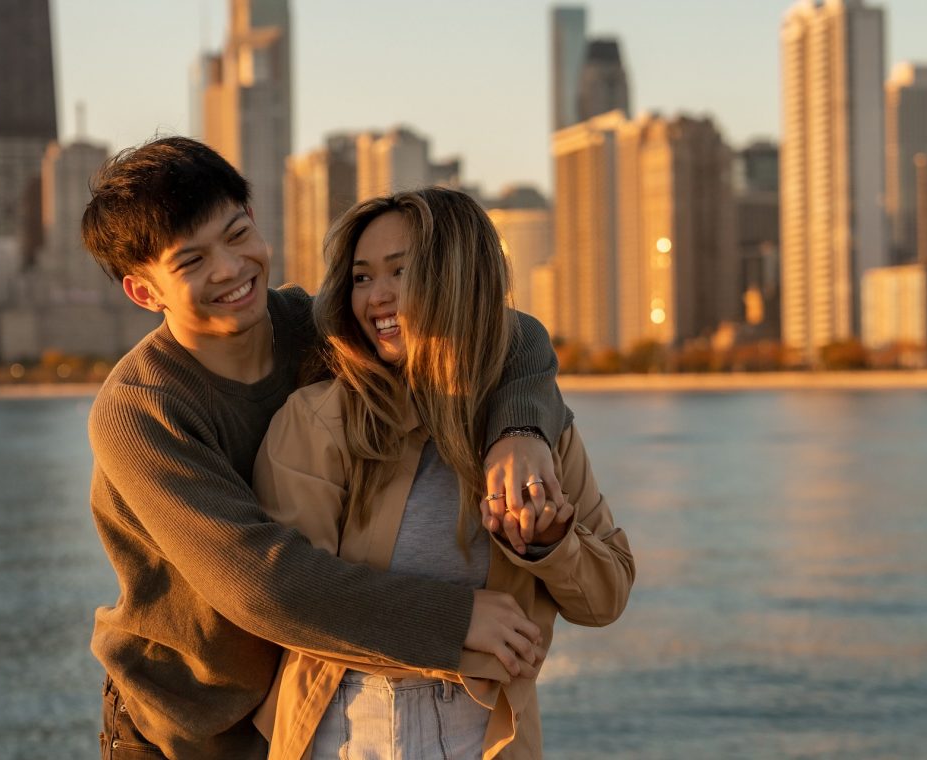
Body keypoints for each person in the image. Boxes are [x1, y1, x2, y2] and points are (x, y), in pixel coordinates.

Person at [79, 137, 572, 759]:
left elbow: (505, 330)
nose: (230, 269)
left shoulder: (317, 332)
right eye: (191, 261)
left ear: (256, 222)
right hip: (181, 725)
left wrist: (520, 432)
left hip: (296, 702)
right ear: (145, 292)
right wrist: (456, 620)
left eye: (236, 236)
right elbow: (261, 582)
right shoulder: (141, 409)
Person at [252, 188, 635, 759]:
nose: (376, 297)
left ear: (459, 278)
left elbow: (606, 598)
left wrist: (552, 545)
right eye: (361, 278)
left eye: (399, 272)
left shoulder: (536, 431)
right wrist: (457, 625)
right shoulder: (319, 421)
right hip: (349, 727)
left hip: (489, 735)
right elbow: (293, 602)